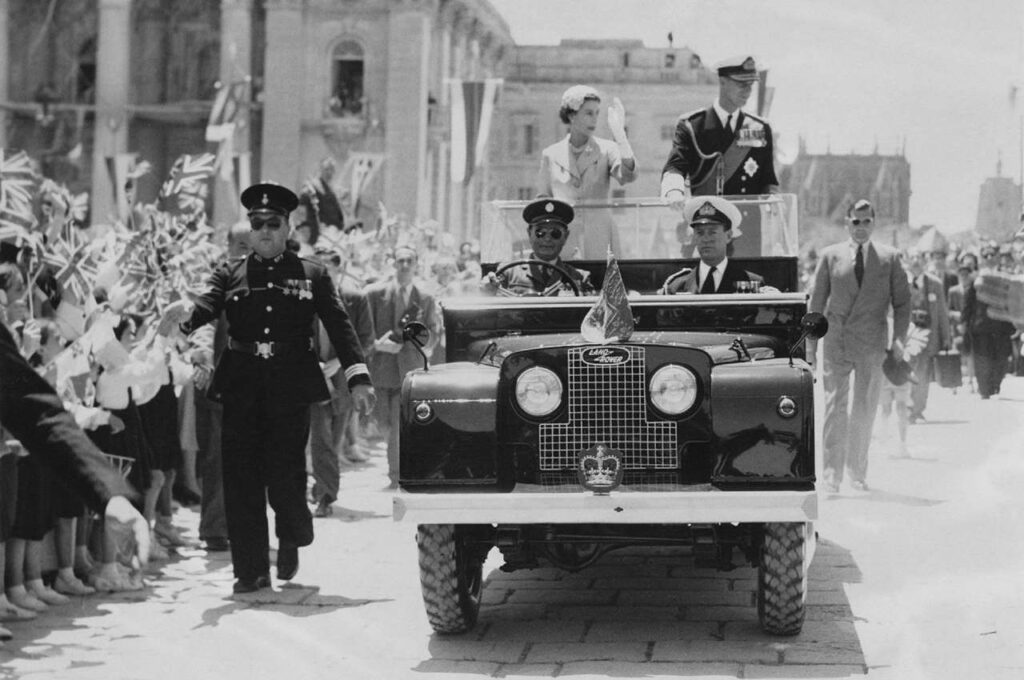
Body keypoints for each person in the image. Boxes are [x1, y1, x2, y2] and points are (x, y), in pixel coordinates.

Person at [161, 182, 375, 594]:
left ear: (287, 226)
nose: (263, 231)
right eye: (256, 223)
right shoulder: (231, 272)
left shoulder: (312, 273)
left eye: (272, 223)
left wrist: (358, 376)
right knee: (240, 479)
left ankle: (292, 533)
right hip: (241, 386)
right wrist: (186, 314)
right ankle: (250, 569)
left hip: (290, 388)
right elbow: (206, 305)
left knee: (285, 477)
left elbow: (339, 325)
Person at [808, 199, 911, 493]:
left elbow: (903, 303)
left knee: (864, 407)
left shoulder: (890, 258)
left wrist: (899, 339)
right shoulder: (830, 257)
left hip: (871, 342)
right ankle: (831, 474)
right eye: (856, 222)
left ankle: (857, 471)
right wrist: (810, 347)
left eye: (867, 221)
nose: (861, 227)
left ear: (874, 223)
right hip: (837, 339)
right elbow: (816, 303)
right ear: (846, 224)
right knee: (834, 405)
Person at [365, 244, 440, 488]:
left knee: (398, 427)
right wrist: (376, 345)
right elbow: (364, 331)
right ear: (393, 263)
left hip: (409, 369)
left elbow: (433, 331)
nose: (405, 265)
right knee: (382, 423)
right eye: (401, 261)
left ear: (416, 264)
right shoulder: (375, 294)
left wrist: (423, 344)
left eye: (409, 261)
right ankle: (397, 461)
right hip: (381, 368)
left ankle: (396, 474)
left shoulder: (425, 297)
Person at [309, 245, 375, 517]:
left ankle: (324, 487)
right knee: (320, 439)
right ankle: (324, 495)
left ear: (338, 267)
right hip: (314, 379)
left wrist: (341, 362)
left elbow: (366, 340)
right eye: (317, 265)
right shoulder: (304, 299)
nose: (323, 271)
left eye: (328, 266)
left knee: (334, 440)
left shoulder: (355, 299)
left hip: (343, 381)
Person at [660, 55, 778, 206]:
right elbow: (675, 166)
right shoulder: (692, 126)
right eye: (742, 84)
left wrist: (773, 200)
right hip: (708, 221)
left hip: (748, 222)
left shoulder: (760, 128)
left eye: (750, 85)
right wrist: (674, 190)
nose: (747, 91)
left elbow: (768, 180)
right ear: (723, 82)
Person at [536, 85, 637, 259]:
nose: (594, 119)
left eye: (597, 113)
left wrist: (621, 139)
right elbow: (543, 200)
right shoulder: (550, 155)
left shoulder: (607, 149)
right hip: (564, 242)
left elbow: (627, 176)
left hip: (600, 239)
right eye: (589, 113)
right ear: (572, 114)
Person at [484, 198, 596, 296]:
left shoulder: (580, 278)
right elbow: (490, 314)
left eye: (555, 233)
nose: (547, 239)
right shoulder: (508, 273)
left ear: (565, 236)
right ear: (529, 233)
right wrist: (487, 291)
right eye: (540, 232)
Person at [660, 196, 764, 294]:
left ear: (728, 236)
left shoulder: (752, 283)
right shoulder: (676, 286)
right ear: (694, 237)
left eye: (712, 233)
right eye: (700, 233)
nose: (705, 239)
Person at [904, 250, 951, 423]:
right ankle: (909, 406)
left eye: (919, 258)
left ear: (924, 262)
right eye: (913, 257)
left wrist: (946, 336)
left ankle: (917, 408)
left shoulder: (935, 284)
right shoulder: (900, 282)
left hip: (928, 335)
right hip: (907, 335)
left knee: (923, 373)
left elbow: (942, 312)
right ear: (908, 261)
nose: (916, 261)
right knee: (908, 370)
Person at [299, 157, 346, 243]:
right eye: (326, 169)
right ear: (320, 170)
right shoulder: (311, 189)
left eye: (332, 170)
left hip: (334, 234)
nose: (329, 173)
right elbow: (302, 213)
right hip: (318, 234)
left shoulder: (332, 190)